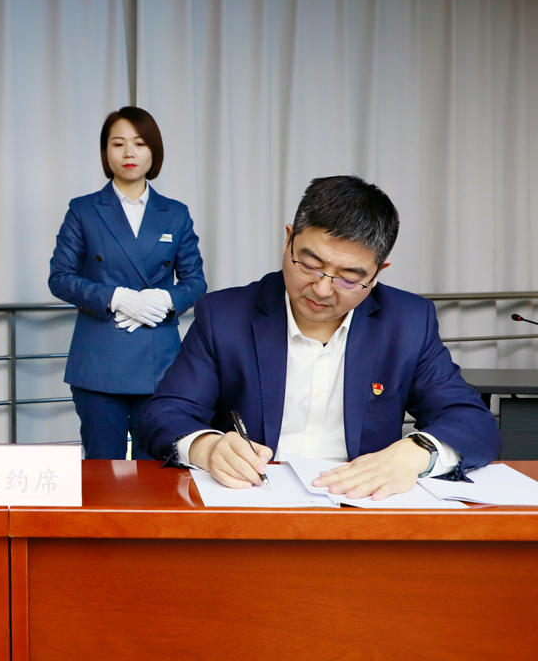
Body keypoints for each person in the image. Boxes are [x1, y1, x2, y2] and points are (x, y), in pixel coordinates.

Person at [138, 175, 502, 500]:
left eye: (349, 278)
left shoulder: (406, 323)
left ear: (377, 273)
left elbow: (473, 422)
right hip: (252, 502)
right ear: (288, 241)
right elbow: (164, 414)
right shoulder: (225, 316)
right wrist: (206, 447)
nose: (323, 289)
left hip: (361, 509)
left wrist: (413, 454)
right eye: (310, 265)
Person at [49, 107, 206, 459]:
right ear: (106, 152)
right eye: (118, 144)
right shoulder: (83, 210)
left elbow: (196, 282)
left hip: (159, 360)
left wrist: (164, 300)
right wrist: (116, 297)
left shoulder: (175, 212)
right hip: (100, 360)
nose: (129, 153)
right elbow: (60, 278)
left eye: (139, 143)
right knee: (102, 466)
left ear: (154, 151)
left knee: (158, 465)